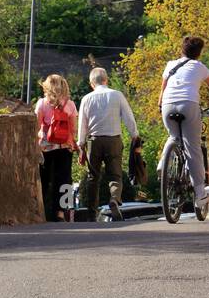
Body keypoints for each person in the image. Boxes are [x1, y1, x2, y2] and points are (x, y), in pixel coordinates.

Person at [160, 36, 209, 207]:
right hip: (188, 104)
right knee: (193, 147)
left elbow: (163, 87)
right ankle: (200, 193)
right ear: (199, 53)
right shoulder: (199, 67)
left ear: (181, 50)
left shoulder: (170, 65)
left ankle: (163, 163)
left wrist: (160, 103)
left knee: (174, 135)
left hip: (167, 105)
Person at [77, 66, 138, 222]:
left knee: (93, 177)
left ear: (92, 83)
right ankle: (114, 199)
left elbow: (82, 124)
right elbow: (128, 117)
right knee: (115, 174)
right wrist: (134, 135)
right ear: (106, 80)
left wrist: (81, 145)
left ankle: (92, 213)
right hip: (113, 139)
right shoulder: (117, 95)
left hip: (94, 141)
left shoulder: (86, 99)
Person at [35, 74, 78, 223]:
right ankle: (61, 212)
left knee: (44, 179)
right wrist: (73, 143)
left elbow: (36, 126)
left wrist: (37, 143)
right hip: (64, 146)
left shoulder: (42, 103)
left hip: (46, 147)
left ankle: (42, 211)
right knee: (64, 180)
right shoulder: (70, 104)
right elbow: (73, 129)